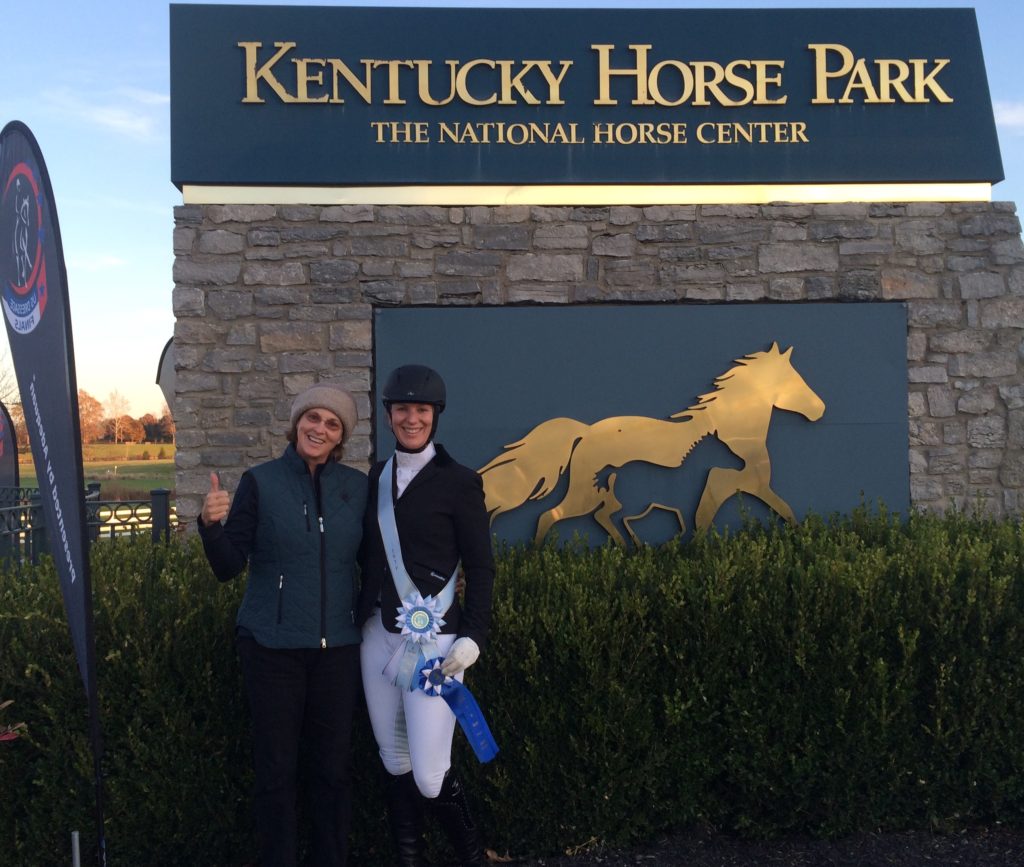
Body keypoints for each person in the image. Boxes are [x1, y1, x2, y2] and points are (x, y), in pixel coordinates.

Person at [198, 383, 367, 867]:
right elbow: (229, 565)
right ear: (296, 424)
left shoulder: (356, 488)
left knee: (333, 771)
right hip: (271, 648)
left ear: (341, 438)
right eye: (312, 418)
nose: (320, 428)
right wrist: (211, 527)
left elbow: (374, 561)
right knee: (277, 771)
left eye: (332, 424)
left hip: (337, 648)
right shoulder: (261, 481)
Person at [357, 364, 496, 867]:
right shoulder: (373, 478)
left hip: (436, 645)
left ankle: (473, 857)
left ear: (434, 416)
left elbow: (481, 566)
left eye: (421, 410)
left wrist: (474, 635)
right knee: (393, 760)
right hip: (376, 635)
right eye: (402, 409)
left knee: (430, 775)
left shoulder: (460, 482)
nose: (411, 418)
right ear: (389, 416)